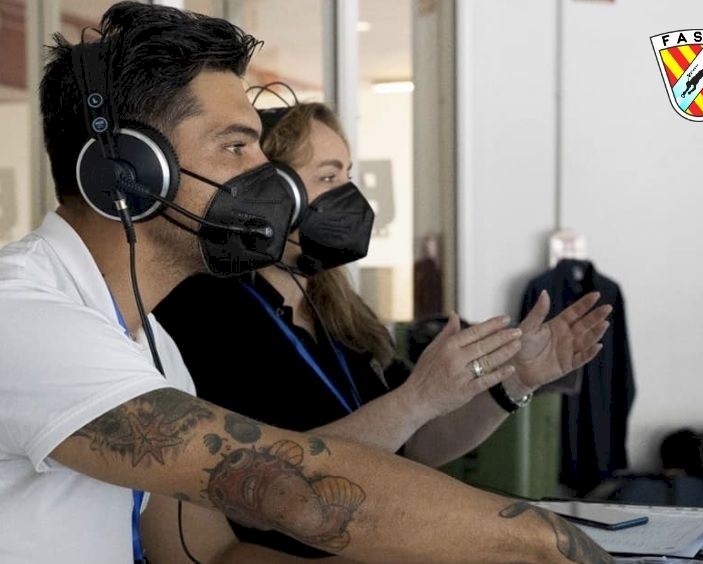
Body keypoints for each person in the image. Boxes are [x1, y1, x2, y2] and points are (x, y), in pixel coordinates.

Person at [0, 2, 613, 563]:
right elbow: (294, 491)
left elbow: (212, 556)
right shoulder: (24, 317)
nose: (267, 177)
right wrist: (540, 545)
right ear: (128, 174)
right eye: (235, 147)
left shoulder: (150, 345)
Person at [154, 100, 612, 560]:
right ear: (270, 194)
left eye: (348, 174)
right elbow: (276, 478)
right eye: (329, 177)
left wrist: (514, 383)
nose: (350, 196)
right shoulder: (206, 313)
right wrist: (418, 398)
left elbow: (415, 447)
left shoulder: (338, 310)